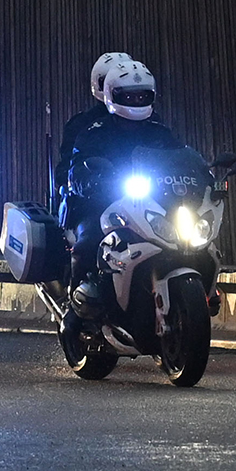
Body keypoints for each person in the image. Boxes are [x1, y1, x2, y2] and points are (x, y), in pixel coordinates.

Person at [67, 61, 181, 313]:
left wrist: (202, 172)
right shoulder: (94, 131)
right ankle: (73, 311)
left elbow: (181, 157)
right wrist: (88, 179)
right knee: (86, 244)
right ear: (112, 95)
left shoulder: (159, 131)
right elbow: (77, 167)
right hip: (102, 205)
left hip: (153, 205)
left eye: (142, 95)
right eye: (129, 95)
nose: (136, 100)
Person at [53, 52, 131, 215]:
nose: (118, 86)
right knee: (89, 237)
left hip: (147, 203)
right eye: (111, 82)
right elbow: (66, 170)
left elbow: (172, 154)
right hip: (94, 205)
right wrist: (88, 181)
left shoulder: (151, 123)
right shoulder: (82, 124)